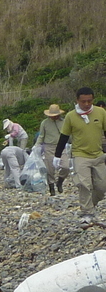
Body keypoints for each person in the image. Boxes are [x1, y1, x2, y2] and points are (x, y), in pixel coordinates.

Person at [54, 87, 106, 223]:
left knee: (101, 187)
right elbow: (64, 136)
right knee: (84, 184)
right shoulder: (71, 116)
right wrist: (57, 155)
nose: (87, 104)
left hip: (98, 154)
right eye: (84, 101)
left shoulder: (101, 112)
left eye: (89, 101)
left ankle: (90, 206)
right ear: (77, 101)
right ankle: (86, 213)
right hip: (80, 154)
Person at [36, 104, 70, 195]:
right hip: (49, 147)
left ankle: (60, 181)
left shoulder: (63, 122)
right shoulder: (45, 123)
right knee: (50, 169)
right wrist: (37, 146)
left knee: (66, 166)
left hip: (61, 146)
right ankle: (51, 187)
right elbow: (41, 136)